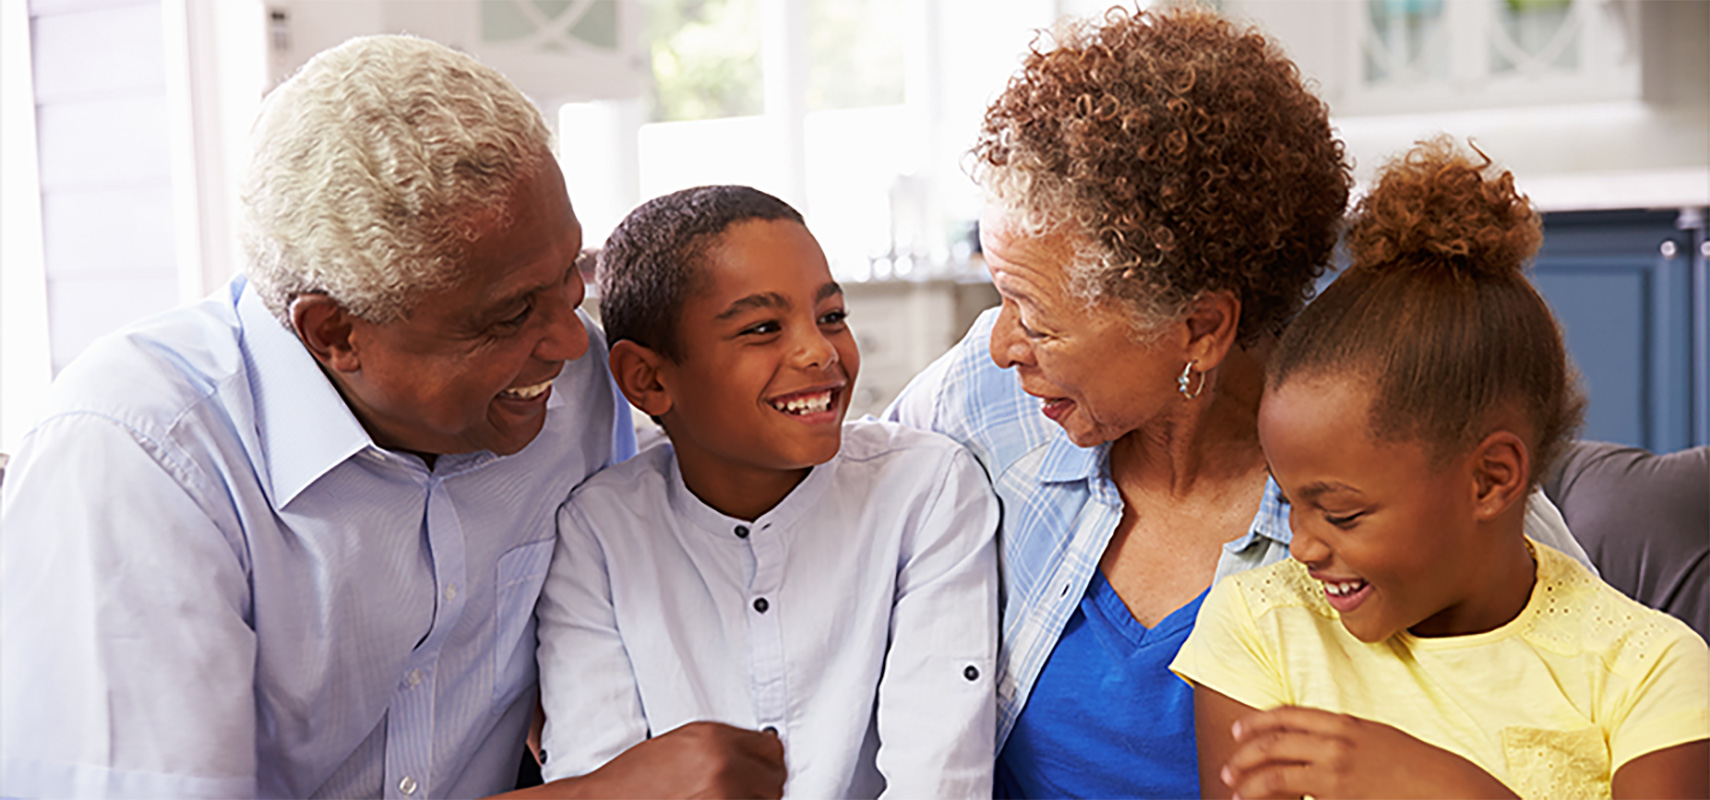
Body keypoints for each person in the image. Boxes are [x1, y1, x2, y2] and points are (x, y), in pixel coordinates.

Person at [0, 36, 783, 799]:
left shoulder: (571, 387)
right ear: (334, 333)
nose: (568, 340)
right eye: (510, 313)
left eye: (572, 276)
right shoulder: (136, 458)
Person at [885, 7, 1597, 797]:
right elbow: (816, 527)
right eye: (1003, 297)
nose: (1002, 345)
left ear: (1200, 327)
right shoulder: (987, 400)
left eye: (1039, 320)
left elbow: (1585, 717)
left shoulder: (1396, 471)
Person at [1172, 138, 1710, 799]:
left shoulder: (1648, 670)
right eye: (1290, 503)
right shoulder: (1262, 626)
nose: (1303, 546)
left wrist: (1442, 786)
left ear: (1489, 479)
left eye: (1341, 512)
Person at [533, 185, 1000, 798]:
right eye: (762, 328)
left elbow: (939, 780)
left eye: (831, 317)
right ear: (647, 379)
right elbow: (599, 778)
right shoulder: (598, 531)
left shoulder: (926, 490)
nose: (818, 350)